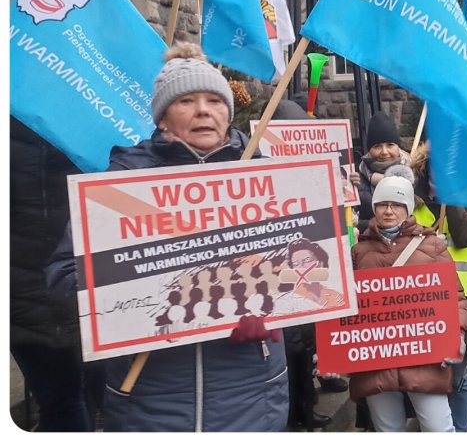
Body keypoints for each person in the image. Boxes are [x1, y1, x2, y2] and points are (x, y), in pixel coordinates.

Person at [46, 46, 289, 431]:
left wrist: (278, 310)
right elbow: (63, 276)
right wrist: (133, 302)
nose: (204, 111)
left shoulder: (274, 181)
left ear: (228, 112)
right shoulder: (118, 184)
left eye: (214, 100)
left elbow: (309, 269)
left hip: (249, 392)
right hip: (149, 395)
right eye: (186, 101)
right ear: (163, 119)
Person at [351, 173, 466, 432]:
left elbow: (454, 296)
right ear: (374, 207)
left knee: (438, 428)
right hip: (376, 355)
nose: (388, 211)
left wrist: (456, 334)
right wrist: (332, 352)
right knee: (387, 430)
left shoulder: (431, 245)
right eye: (382, 204)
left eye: (397, 204)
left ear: (408, 208)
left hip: (424, 353)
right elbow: (347, 304)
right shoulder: (359, 251)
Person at [12, 120, 98, 430]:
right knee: (64, 403)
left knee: (84, 396)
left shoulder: (88, 127)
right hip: (28, 298)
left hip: (90, 291)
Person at [406, 145, 467, 432]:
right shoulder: (410, 199)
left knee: (461, 376)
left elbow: (466, 236)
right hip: (424, 300)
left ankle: (460, 431)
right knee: (430, 373)